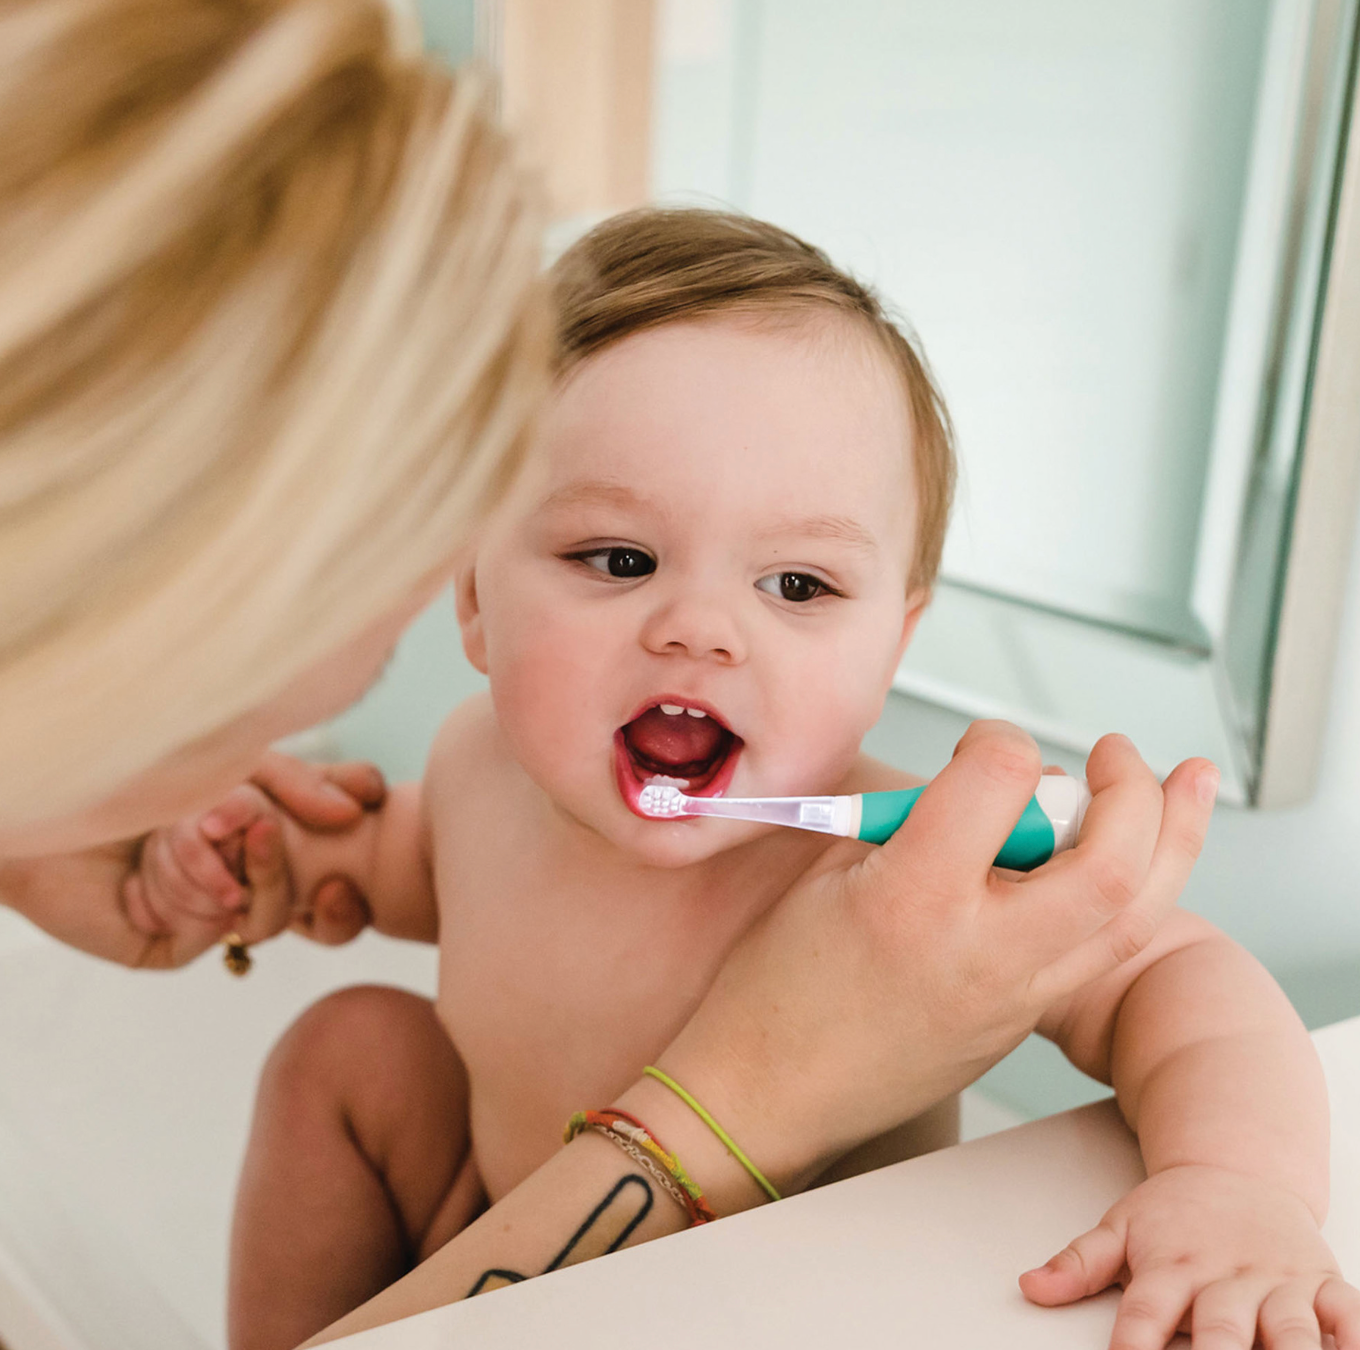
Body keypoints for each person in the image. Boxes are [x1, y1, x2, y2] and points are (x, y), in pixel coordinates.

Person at [140, 209, 1355, 1350]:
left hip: (788, 1312)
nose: (701, 629)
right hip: (512, 1231)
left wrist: (1234, 1183)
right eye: (617, 558)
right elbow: (392, 865)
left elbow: (1180, 977)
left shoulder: (911, 871)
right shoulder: (475, 764)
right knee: (346, 1044)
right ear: (473, 600)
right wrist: (271, 859)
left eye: (797, 587)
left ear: (894, 642)